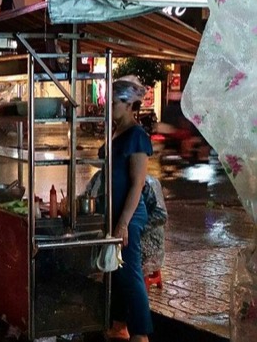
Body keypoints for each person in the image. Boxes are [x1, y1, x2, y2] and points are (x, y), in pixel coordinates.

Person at [99, 75, 153, 342]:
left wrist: (123, 223)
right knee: (116, 272)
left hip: (128, 214)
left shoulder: (137, 135)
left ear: (130, 104)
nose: (109, 106)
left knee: (130, 273)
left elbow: (137, 184)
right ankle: (119, 325)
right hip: (114, 211)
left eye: (115, 102)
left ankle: (141, 333)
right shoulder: (115, 131)